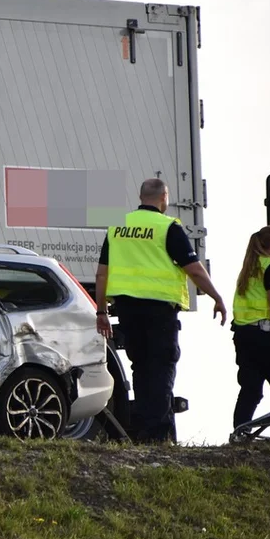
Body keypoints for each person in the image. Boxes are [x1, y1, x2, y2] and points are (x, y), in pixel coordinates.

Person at [94, 177, 226, 443]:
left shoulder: (119, 227)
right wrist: (216, 296)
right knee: (161, 368)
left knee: (140, 369)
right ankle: (158, 435)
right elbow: (194, 270)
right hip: (159, 311)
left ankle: (145, 432)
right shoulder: (168, 227)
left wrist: (101, 312)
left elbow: (101, 275)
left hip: (128, 310)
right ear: (164, 197)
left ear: (142, 196)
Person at [229, 226, 270, 437]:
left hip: (244, 336)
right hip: (268, 336)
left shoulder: (251, 267)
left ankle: (240, 430)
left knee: (251, 389)